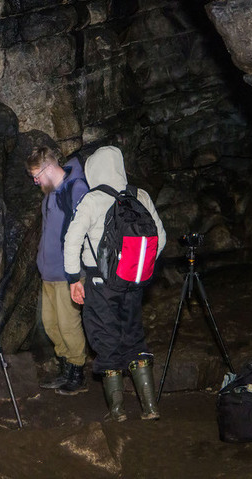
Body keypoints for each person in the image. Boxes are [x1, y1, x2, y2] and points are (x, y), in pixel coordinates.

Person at [63, 146, 166, 421]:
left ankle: (118, 411)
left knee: (104, 338)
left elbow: (72, 240)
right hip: (134, 284)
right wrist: (138, 270)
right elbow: (161, 238)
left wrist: (74, 278)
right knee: (134, 336)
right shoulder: (140, 195)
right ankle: (150, 408)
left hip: (101, 284)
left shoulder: (92, 199)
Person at [26, 146, 90, 395]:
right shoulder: (50, 194)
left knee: (68, 324)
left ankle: (77, 372)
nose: (35, 181)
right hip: (48, 272)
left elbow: (82, 232)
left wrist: (76, 273)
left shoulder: (77, 189)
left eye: (36, 175)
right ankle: (66, 369)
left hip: (68, 273)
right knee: (51, 324)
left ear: (49, 168)